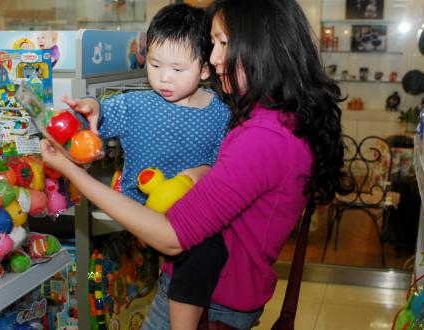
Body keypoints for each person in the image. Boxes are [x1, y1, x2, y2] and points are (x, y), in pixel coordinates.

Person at [40, 0, 347, 329]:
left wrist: (73, 172)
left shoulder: (263, 135)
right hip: (215, 288)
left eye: (224, 43)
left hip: (213, 298)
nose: (214, 59)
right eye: (213, 43)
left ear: (263, 44)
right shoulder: (276, 116)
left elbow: (173, 236)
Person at [47, 3, 231, 328]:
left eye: (177, 68)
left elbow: (225, 171)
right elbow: (100, 113)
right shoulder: (136, 104)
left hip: (192, 225)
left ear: (205, 68)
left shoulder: (220, 113)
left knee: (184, 293)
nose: (163, 78)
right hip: (137, 218)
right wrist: (89, 108)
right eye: (156, 64)